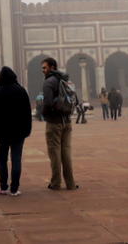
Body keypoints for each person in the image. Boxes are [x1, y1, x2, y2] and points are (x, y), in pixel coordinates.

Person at [0, 66, 32, 196]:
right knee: (16, 159)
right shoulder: (21, 91)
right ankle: (14, 189)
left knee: (2, 160)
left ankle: (3, 187)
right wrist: (27, 130)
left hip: (2, 133)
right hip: (19, 133)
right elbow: (27, 113)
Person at [41, 57, 77, 191]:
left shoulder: (48, 82)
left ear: (52, 67)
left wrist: (44, 114)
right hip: (67, 121)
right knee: (66, 153)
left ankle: (56, 183)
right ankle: (71, 183)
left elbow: (48, 103)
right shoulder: (65, 80)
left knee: (54, 153)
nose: (43, 70)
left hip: (54, 122)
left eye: (44, 68)